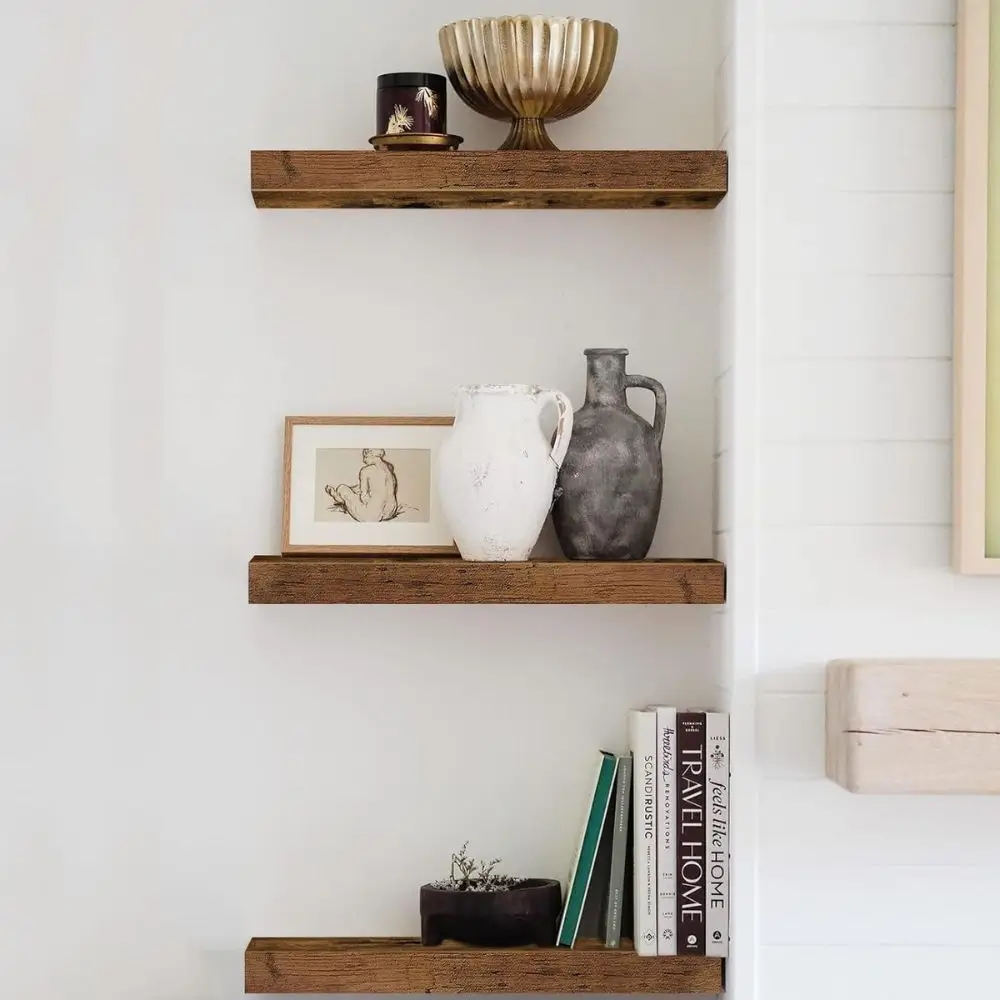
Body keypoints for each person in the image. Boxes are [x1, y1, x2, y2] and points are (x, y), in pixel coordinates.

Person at [326, 448, 400, 522]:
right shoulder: (389, 468)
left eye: (365, 457)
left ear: (371, 455)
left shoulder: (365, 471)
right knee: (358, 491)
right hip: (390, 512)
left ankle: (339, 498)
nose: (363, 461)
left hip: (372, 516)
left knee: (342, 488)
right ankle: (343, 500)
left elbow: (364, 497)